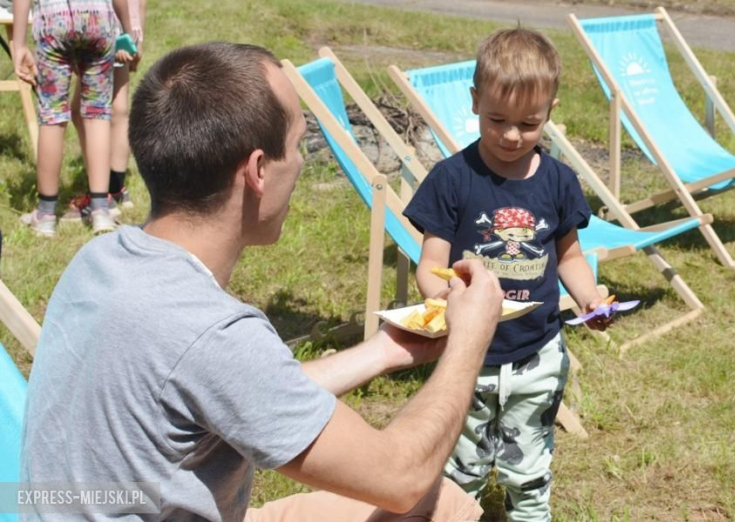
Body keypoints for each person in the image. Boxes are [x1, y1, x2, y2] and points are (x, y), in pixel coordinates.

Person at [20, 41, 505, 521]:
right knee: (442, 506)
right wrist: (470, 338)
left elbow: (235, 385)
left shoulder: (102, 258)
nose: (297, 165)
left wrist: (384, 352)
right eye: (296, 147)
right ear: (256, 170)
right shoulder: (211, 332)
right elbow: (400, 478)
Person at [403, 27, 612, 521]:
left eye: (528, 123)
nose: (512, 135)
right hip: (469, 353)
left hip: (537, 352)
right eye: (497, 119)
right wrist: (447, 295)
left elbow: (569, 258)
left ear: (550, 112)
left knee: (529, 466)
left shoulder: (558, 181)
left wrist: (588, 298)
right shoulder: (453, 179)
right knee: (462, 465)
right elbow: (429, 267)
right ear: (475, 101)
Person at [12, 0, 132, 237]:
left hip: (53, 19)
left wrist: (19, 43)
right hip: (99, 18)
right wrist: (127, 30)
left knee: (52, 116)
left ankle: (46, 214)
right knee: (97, 113)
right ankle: (100, 209)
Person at [64, 0, 146, 224]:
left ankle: (102, 194)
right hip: (123, 28)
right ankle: (116, 188)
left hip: (103, 25)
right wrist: (136, 38)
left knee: (84, 112)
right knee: (118, 109)